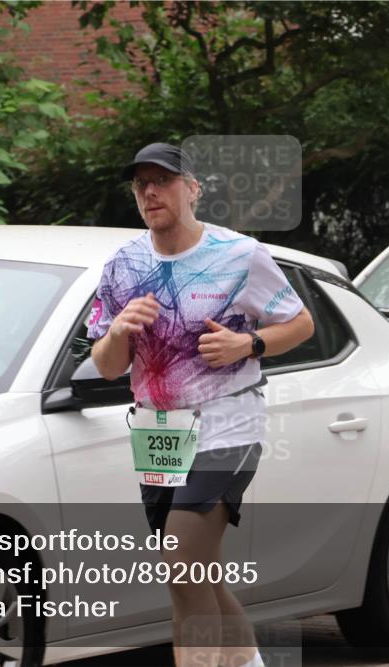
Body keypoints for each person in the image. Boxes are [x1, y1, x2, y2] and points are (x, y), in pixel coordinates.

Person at [87, 142, 315, 667]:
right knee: (194, 576)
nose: (150, 192)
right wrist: (120, 328)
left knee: (180, 560)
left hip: (227, 423)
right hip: (159, 431)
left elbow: (301, 323)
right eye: (140, 183)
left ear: (193, 189)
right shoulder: (124, 265)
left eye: (162, 181)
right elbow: (105, 364)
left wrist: (249, 344)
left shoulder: (239, 254)